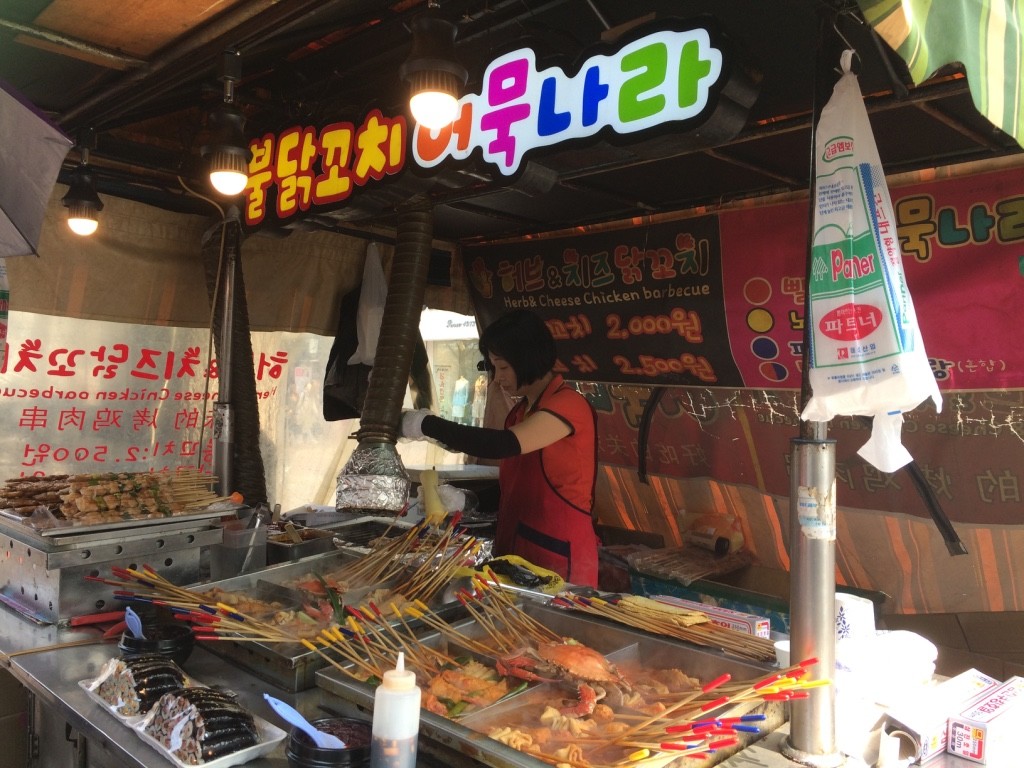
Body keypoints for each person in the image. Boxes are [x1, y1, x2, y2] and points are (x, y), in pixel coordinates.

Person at [401, 309, 600, 587]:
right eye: (494, 367)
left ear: (528, 358)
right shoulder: (520, 412)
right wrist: (468, 500)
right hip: (516, 549)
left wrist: (427, 425)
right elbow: (518, 484)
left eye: (503, 367)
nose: (497, 378)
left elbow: (500, 445)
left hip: (558, 557)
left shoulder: (567, 406)